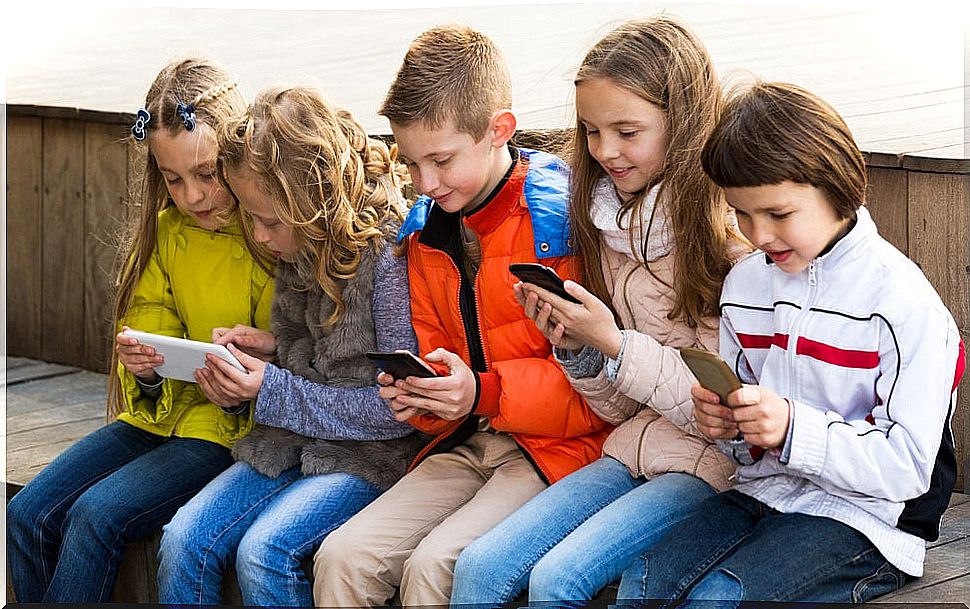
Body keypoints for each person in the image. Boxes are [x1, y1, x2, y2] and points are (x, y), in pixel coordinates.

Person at [450, 16, 750, 606]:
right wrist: (577, 347)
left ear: (683, 123)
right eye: (590, 131)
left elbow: (721, 418)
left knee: (557, 583)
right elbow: (619, 405)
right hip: (629, 446)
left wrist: (614, 345)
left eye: (626, 131)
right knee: (480, 568)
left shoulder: (728, 240)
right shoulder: (608, 225)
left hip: (711, 470)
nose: (605, 151)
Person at [311, 24, 613, 608]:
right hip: (467, 441)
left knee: (433, 570)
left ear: (499, 129)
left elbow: (597, 387)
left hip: (559, 449)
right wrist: (420, 398)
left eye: (442, 160)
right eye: (411, 164)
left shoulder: (558, 227)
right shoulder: (426, 233)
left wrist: (481, 393)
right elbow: (440, 363)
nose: (425, 184)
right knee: (342, 558)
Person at [639, 81, 964, 606]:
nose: (758, 235)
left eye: (778, 214)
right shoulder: (745, 286)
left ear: (839, 188)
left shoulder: (902, 304)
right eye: (741, 214)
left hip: (870, 520)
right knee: (645, 583)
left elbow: (907, 467)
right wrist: (731, 426)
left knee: (719, 599)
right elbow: (748, 446)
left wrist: (792, 426)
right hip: (763, 492)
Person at [5, 57, 274, 603]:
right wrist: (147, 371)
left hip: (228, 433)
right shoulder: (167, 231)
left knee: (95, 517)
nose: (193, 196)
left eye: (207, 173)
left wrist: (243, 380)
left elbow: (289, 350)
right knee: (26, 513)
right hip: (158, 417)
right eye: (173, 179)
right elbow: (153, 319)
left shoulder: (272, 234)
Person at [155, 86, 425, 606]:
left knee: (264, 552)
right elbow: (313, 360)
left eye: (268, 221)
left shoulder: (388, 259)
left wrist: (272, 387)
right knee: (185, 538)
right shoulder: (298, 245)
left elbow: (398, 412)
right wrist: (267, 354)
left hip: (374, 458)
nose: (258, 235)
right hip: (291, 441)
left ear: (312, 200)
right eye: (251, 218)